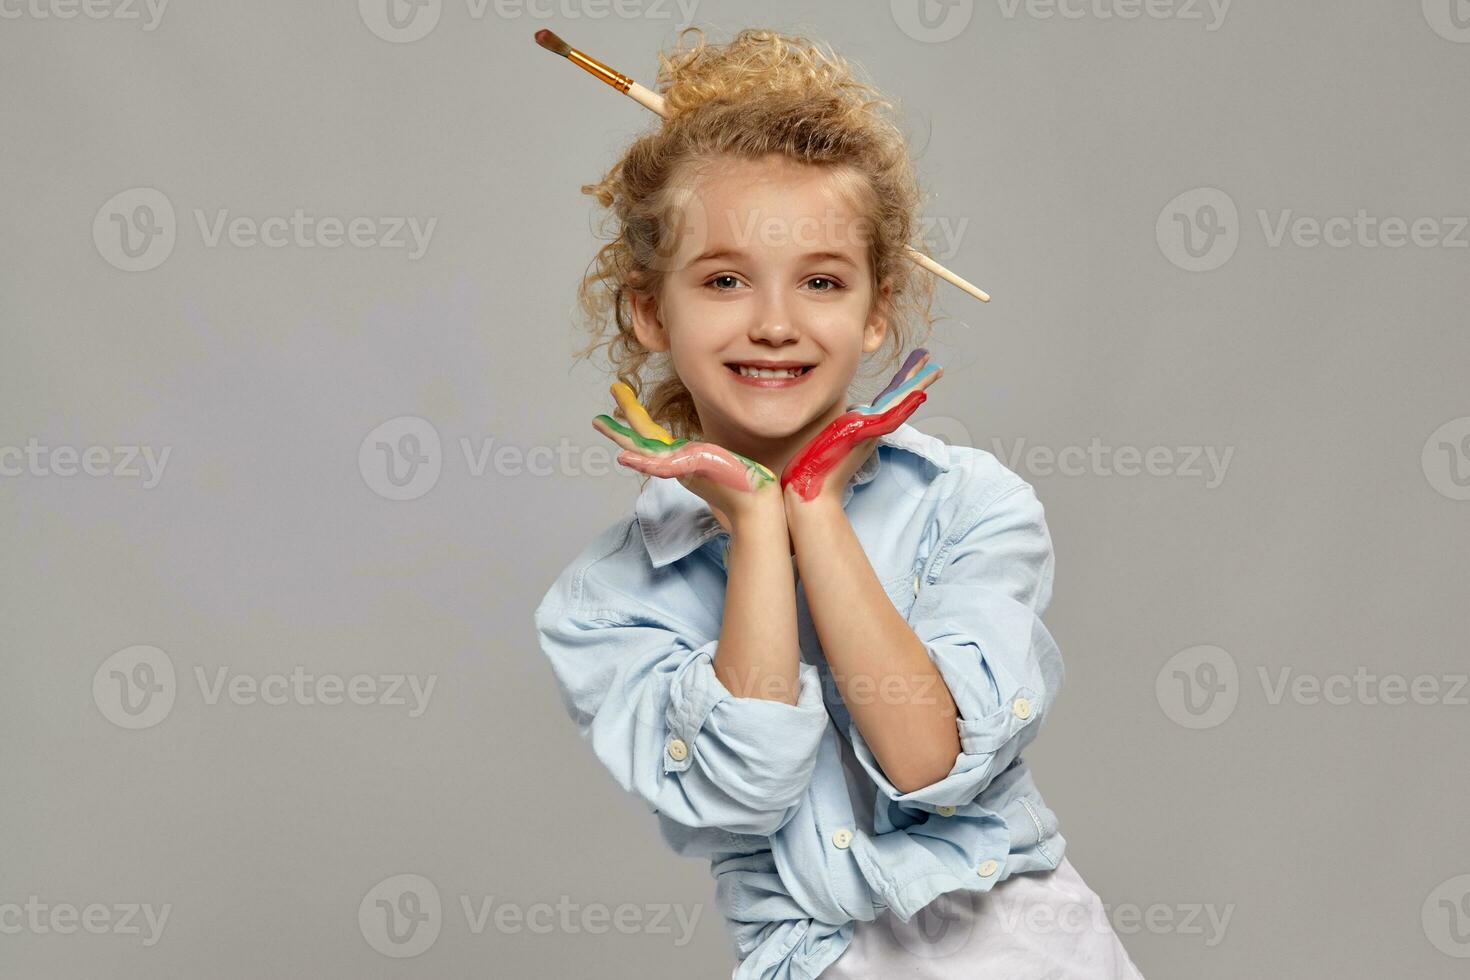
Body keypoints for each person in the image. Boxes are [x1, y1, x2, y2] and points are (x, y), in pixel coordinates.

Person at [534, 27, 1146, 980]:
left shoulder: (970, 505)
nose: (774, 322)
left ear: (875, 310)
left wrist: (810, 505)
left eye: (820, 281)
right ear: (652, 310)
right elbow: (747, 791)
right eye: (725, 279)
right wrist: (750, 520)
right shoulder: (604, 602)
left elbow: (923, 760)